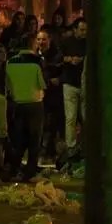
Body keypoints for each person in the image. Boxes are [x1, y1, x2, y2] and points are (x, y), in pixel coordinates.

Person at [5, 34, 47, 182]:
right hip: (34, 103)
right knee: (34, 139)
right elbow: (42, 84)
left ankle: (14, 168)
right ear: (32, 44)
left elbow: (7, 85)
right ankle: (30, 170)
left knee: (18, 138)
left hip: (16, 104)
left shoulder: (10, 62)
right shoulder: (38, 62)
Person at [36, 27, 65, 163]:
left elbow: (60, 71)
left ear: (49, 40)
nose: (41, 42)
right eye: (39, 39)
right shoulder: (34, 55)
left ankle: (49, 153)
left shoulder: (57, 55)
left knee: (51, 124)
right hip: (38, 94)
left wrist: (57, 80)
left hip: (53, 95)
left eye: (44, 39)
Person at [60, 18, 86, 154]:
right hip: (70, 83)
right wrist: (70, 59)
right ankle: (71, 147)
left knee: (85, 117)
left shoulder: (88, 43)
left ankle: (85, 146)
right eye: (81, 29)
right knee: (70, 117)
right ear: (75, 29)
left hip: (84, 85)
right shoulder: (67, 42)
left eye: (85, 30)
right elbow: (59, 57)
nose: (84, 33)